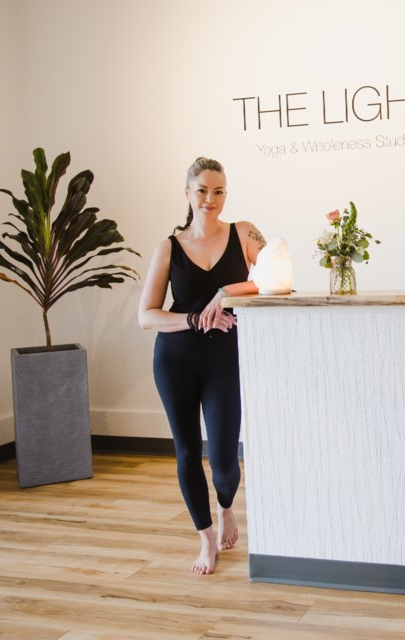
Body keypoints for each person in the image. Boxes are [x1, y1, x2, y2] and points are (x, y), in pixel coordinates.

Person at [137, 157, 265, 574]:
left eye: (219, 191)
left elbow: (277, 277)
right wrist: (193, 318)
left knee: (226, 457)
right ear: (188, 193)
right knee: (188, 450)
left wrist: (226, 291)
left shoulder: (244, 233)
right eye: (202, 190)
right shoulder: (168, 247)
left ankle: (226, 504)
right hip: (175, 359)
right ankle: (205, 537)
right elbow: (147, 316)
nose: (211, 199)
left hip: (224, 357)